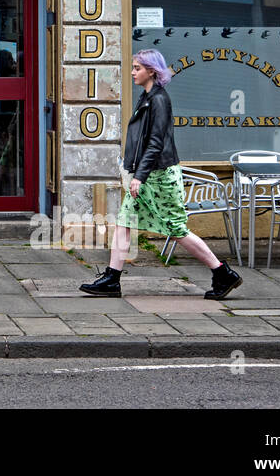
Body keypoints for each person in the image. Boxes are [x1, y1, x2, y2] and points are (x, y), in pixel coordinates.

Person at [80, 48, 243, 300]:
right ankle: (112, 279)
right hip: (147, 174)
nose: (133, 72)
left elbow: (155, 142)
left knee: (176, 229)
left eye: (137, 68)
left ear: (151, 72)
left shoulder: (158, 100)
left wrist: (139, 176)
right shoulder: (147, 96)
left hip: (160, 176)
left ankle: (222, 273)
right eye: (133, 67)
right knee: (124, 222)